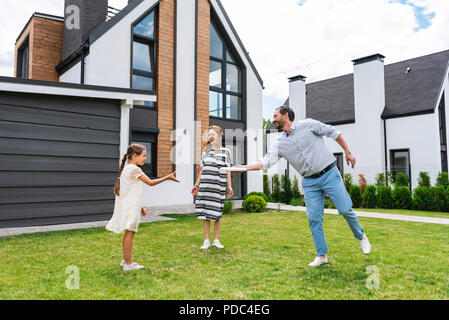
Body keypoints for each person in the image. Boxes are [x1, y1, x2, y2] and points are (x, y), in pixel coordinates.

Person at [235, 106, 371, 267]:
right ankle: (322, 256)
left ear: (286, 114)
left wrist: (348, 152)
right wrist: (244, 167)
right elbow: (265, 162)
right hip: (309, 182)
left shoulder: (308, 125)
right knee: (314, 219)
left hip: (329, 174)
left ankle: (361, 236)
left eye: (275, 115)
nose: (273, 120)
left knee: (345, 209)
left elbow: (333, 132)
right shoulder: (280, 143)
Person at [106, 144, 180, 271]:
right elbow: (150, 183)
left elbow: (133, 190)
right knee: (130, 232)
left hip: (130, 206)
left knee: (128, 232)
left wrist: (141, 207)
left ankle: (126, 261)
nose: (145, 158)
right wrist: (168, 177)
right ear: (135, 156)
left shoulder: (128, 168)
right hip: (131, 207)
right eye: (143, 156)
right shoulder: (134, 169)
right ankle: (129, 264)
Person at [191, 126, 233, 250]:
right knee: (206, 214)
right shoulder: (205, 151)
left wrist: (229, 186)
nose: (210, 136)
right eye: (209, 134)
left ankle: (215, 240)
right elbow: (202, 170)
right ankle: (206, 241)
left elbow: (228, 170)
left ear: (220, 135)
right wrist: (196, 185)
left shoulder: (226, 151)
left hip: (218, 187)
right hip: (205, 187)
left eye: (213, 134)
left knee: (217, 213)